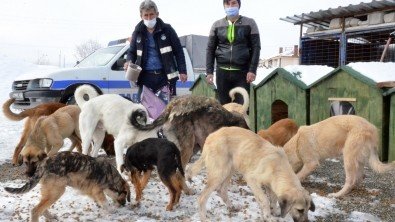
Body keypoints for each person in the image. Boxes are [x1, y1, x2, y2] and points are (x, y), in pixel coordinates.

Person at [125, 0, 187, 101]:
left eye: (151, 15)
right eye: (146, 15)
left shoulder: (167, 30)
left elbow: (179, 51)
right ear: (141, 16)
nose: (149, 18)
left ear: (157, 14)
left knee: (166, 111)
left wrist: (183, 71)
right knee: (144, 111)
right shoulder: (137, 32)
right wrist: (128, 61)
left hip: (165, 77)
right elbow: (132, 52)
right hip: (145, 78)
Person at [206, 0, 261, 105]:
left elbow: (256, 47)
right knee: (223, 109)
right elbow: (210, 49)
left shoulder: (250, 23)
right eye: (227, 4)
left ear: (239, 5)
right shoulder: (216, 25)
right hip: (222, 73)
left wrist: (252, 70)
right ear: (224, 6)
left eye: (234, 3)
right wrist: (209, 71)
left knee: (242, 109)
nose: (230, 6)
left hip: (242, 73)